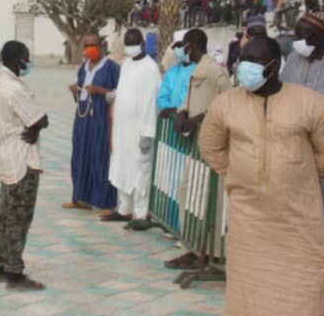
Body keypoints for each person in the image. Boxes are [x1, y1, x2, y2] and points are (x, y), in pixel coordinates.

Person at [199, 36, 324, 316]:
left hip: (298, 225)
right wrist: (240, 175)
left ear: (274, 65)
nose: (245, 66)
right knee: (249, 303)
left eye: (253, 60)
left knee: (304, 299)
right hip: (249, 225)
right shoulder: (226, 103)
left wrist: (297, 178)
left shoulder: (311, 103)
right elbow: (210, 148)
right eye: (243, 59)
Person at [165, 27, 231, 269]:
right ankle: (191, 245)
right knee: (187, 192)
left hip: (212, 145)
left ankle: (207, 250)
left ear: (192, 46)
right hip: (197, 145)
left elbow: (227, 103)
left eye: (184, 45)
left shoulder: (215, 72)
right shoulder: (197, 72)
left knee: (205, 198)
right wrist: (183, 113)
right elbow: (188, 100)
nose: (182, 50)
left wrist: (199, 118)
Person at [0, 40, 48, 291]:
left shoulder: (1, 83)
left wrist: (33, 128)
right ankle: (15, 272)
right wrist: (36, 127)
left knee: (5, 215)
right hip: (21, 159)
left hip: (6, 155)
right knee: (19, 217)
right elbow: (40, 118)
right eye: (26, 58)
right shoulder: (14, 89)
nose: (27, 63)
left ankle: (1, 264)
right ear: (17, 61)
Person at [108, 28, 162, 228]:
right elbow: (125, 89)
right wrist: (115, 95)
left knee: (140, 170)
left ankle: (140, 214)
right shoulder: (127, 64)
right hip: (123, 129)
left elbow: (151, 102)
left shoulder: (151, 68)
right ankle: (124, 209)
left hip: (139, 130)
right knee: (123, 167)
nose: (129, 47)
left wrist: (147, 133)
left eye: (133, 43)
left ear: (141, 43)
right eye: (127, 43)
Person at [64, 32, 119, 213]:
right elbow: (81, 91)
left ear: (102, 45)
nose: (90, 49)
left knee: (100, 157)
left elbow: (118, 94)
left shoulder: (111, 68)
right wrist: (76, 90)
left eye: (93, 45)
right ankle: (80, 197)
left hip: (101, 118)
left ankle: (106, 203)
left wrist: (100, 90)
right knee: (80, 155)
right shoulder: (84, 67)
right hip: (82, 119)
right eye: (87, 46)